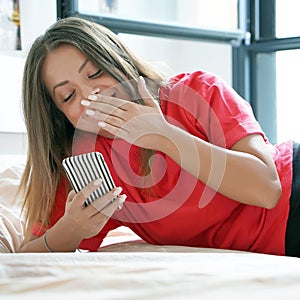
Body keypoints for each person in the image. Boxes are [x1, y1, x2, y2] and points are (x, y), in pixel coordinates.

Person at [17, 16, 300, 257]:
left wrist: (164, 136)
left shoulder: (198, 91)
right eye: (68, 96)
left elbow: (268, 189)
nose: (90, 96)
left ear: (118, 61)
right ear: (59, 116)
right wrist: (72, 229)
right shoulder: (89, 163)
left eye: (95, 73)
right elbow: (26, 257)